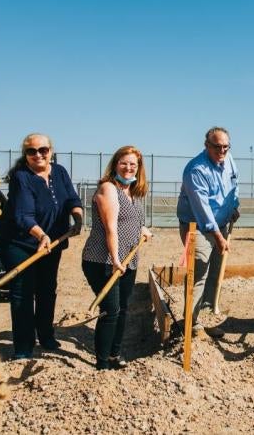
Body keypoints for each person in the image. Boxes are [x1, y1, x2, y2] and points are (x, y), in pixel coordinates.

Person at [0, 133, 83, 360]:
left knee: (46, 288)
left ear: (50, 151)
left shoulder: (60, 172)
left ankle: (45, 335)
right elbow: (23, 215)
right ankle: (23, 347)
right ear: (26, 155)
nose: (38, 155)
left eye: (43, 150)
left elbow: (72, 199)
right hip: (17, 241)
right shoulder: (21, 177)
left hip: (52, 241)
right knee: (23, 291)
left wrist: (78, 218)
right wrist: (41, 235)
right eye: (32, 151)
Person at [82, 146, 153, 370]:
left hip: (128, 260)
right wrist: (115, 259)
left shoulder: (131, 191)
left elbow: (131, 220)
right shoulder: (108, 189)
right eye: (124, 163)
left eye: (133, 164)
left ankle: (114, 354)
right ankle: (102, 363)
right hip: (103, 260)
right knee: (110, 310)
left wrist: (142, 229)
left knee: (123, 308)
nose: (128, 167)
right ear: (115, 164)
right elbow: (111, 228)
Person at [176, 127, 239, 340]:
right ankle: (191, 324)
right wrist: (219, 238)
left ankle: (206, 318)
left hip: (221, 224)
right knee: (199, 271)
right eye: (217, 147)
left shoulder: (229, 159)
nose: (222, 151)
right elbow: (202, 211)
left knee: (215, 273)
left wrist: (234, 206)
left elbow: (234, 183)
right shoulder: (196, 170)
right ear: (206, 145)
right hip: (197, 227)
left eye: (225, 146)